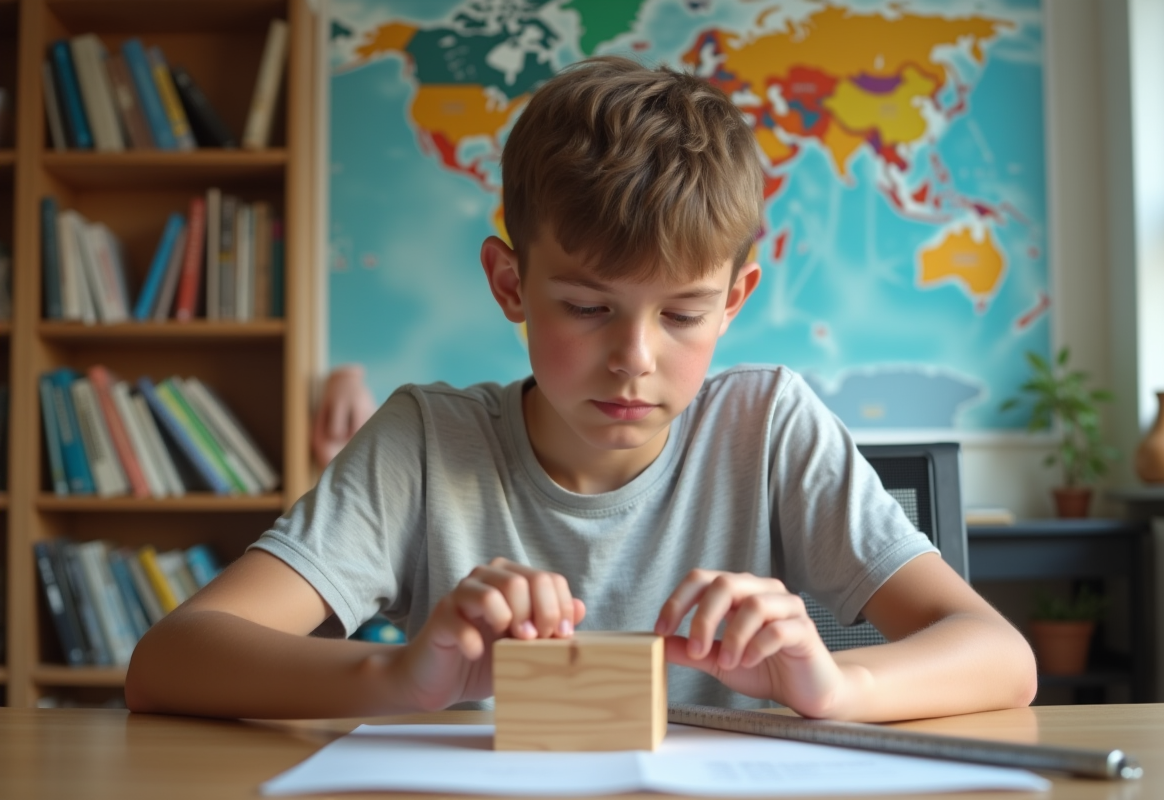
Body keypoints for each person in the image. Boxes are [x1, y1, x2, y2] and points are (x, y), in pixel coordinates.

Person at [126, 57, 1036, 721]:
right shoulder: (425, 443)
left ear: (734, 302)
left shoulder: (767, 425)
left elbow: (1002, 656)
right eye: (588, 307)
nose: (633, 356)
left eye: (682, 314)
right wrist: (401, 678)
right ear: (511, 284)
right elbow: (168, 661)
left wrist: (836, 686)